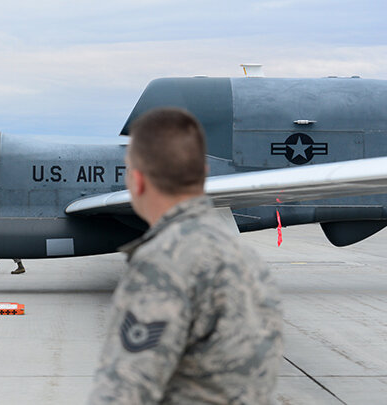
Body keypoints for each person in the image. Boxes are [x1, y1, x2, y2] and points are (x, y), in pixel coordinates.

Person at [89, 108, 283, 404]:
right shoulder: (248, 259)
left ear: (137, 181)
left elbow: (124, 392)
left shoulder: (162, 264)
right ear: (203, 174)